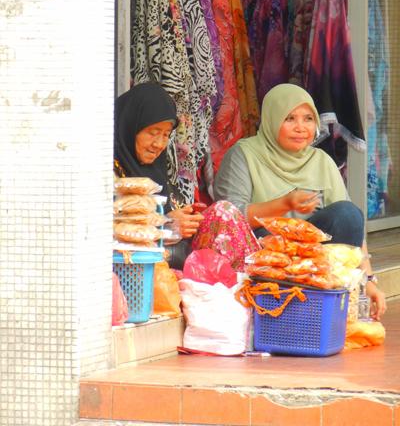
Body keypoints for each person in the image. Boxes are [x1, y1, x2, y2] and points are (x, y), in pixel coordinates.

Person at [214, 83, 387, 320]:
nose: (301, 128)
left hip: (313, 261)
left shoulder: (322, 161)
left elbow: (353, 229)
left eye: (308, 119)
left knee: (348, 214)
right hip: (265, 255)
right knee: (257, 232)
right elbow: (227, 219)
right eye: (290, 118)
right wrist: (285, 204)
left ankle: (326, 303)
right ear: (272, 119)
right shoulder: (244, 154)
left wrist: (368, 280)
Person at [114, 82, 260, 270]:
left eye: (166, 135)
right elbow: (111, 231)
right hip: (130, 268)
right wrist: (166, 226)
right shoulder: (103, 171)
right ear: (130, 127)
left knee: (222, 214)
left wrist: (186, 219)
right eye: (152, 133)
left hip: (166, 259)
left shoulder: (155, 169)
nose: (159, 144)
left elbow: (166, 215)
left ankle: (249, 285)